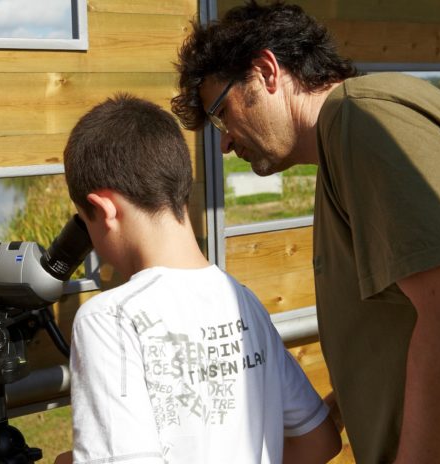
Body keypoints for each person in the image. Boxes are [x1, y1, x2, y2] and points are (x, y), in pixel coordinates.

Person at [170, 2, 440, 463]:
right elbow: (407, 320)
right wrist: (339, 408)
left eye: (221, 114)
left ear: (265, 71)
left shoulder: (360, 120)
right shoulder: (346, 141)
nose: (224, 142)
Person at [54, 93, 341, 464]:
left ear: (105, 210)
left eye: (86, 223)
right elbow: (319, 441)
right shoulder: (242, 300)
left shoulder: (109, 318)